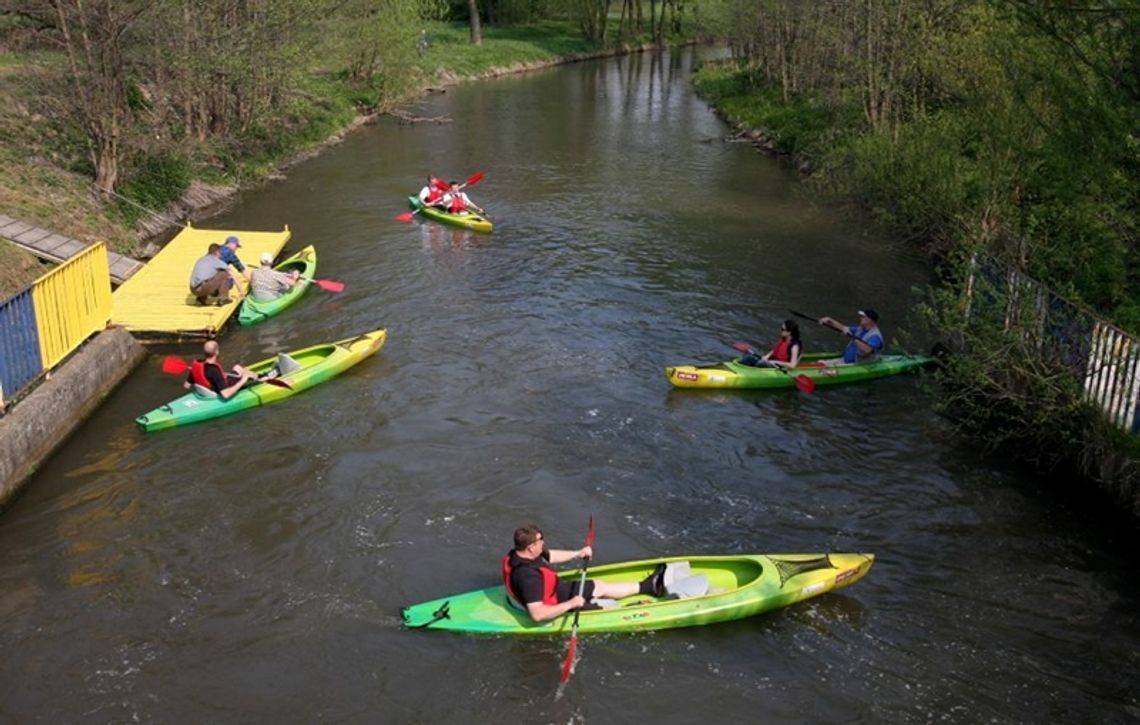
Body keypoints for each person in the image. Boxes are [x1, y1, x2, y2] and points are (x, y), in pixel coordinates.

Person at [502, 525, 666, 623]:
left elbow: (549, 555)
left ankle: (647, 586)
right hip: (555, 603)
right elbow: (537, 615)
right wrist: (571, 604)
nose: (543, 542)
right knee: (603, 607)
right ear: (531, 547)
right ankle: (633, 605)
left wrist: (577, 553)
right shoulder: (529, 578)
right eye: (540, 540)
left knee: (598, 586)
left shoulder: (517, 554)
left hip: (553, 592)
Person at [183, 340, 255, 400]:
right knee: (245, 373)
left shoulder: (197, 365)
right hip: (217, 392)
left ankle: (257, 376)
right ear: (216, 352)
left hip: (204, 392)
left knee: (237, 368)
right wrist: (243, 380)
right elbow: (225, 395)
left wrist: (194, 372)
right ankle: (262, 378)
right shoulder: (214, 370)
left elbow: (186, 386)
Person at [818, 308, 885, 365]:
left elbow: (867, 350)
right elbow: (843, 328)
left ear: (870, 320)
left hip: (859, 365)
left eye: (863, 316)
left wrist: (852, 337)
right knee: (820, 363)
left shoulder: (875, 336)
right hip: (845, 361)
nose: (860, 318)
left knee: (823, 365)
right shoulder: (860, 329)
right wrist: (830, 321)